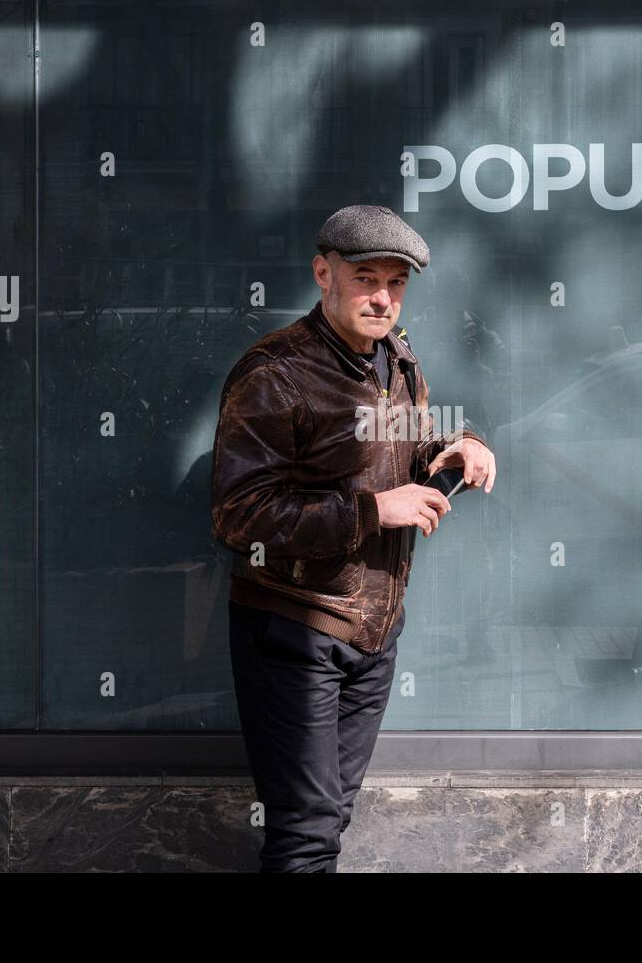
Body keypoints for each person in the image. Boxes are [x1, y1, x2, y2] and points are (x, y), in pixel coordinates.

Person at [210, 203, 497, 872]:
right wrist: (371, 512)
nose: (382, 297)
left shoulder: (395, 360)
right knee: (306, 834)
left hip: (374, 633)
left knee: (328, 821)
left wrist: (455, 446)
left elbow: (398, 454)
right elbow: (238, 516)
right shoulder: (273, 373)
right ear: (323, 273)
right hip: (294, 631)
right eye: (366, 278)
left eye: (396, 283)